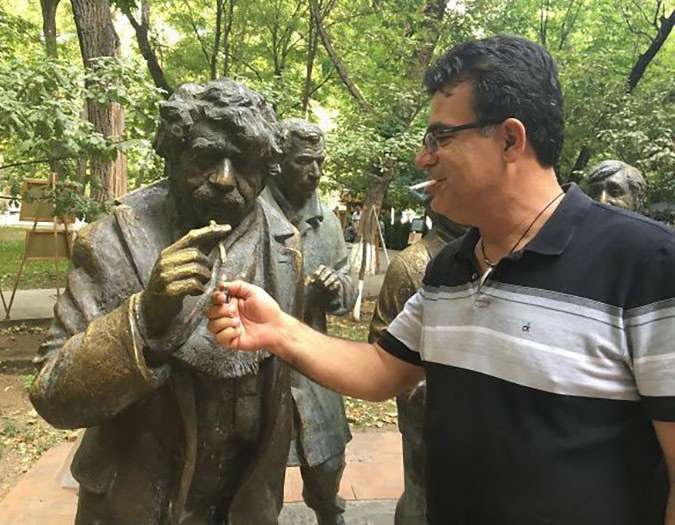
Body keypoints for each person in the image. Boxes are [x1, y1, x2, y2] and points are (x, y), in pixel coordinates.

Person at [207, 35, 675, 524]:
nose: (422, 158)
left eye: (439, 139)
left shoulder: (648, 264)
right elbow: (381, 370)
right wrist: (278, 329)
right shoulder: (450, 267)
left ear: (510, 140)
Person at [29, 79, 302, 524]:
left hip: (244, 502)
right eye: (205, 158)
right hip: (135, 500)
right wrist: (144, 316)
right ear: (173, 155)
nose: (225, 179)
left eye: (244, 163)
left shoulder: (285, 247)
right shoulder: (109, 243)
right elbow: (53, 394)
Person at [261, 118, 355, 525]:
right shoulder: (252, 214)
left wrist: (336, 288)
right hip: (262, 369)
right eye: (304, 161)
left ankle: (329, 511)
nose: (315, 171)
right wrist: (301, 296)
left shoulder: (327, 222)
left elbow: (348, 288)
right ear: (277, 162)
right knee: (259, 477)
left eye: (320, 161)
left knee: (328, 464)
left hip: (315, 364)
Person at [368, 204, 466, 525]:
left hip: (477, 413)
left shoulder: (487, 253)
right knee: (421, 493)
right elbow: (381, 340)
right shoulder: (411, 264)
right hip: (423, 411)